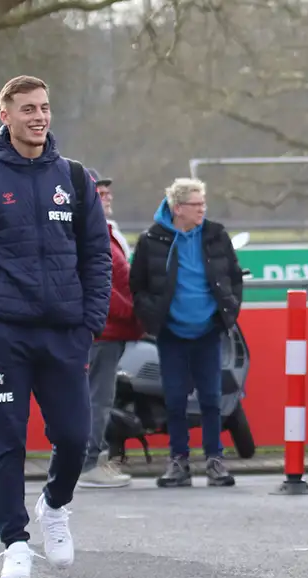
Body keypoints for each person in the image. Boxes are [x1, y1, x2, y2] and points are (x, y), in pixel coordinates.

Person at [0, 75, 112, 578]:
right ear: (5, 116)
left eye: (45, 107)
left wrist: (88, 324)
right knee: (8, 442)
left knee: (76, 438)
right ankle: (15, 543)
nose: (39, 116)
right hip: (5, 336)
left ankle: (54, 506)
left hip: (65, 335)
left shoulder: (75, 179)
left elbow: (97, 257)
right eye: (28, 108)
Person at [128, 177, 244, 488]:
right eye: (196, 204)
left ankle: (215, 461)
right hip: (171, 334)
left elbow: (233, 276)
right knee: (175, 400)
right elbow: (137, 284)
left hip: (208, 331)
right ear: (178, 208)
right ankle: (178, 462)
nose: (202, 209)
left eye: (203, 203)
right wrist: (151, 316)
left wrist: (229, 311)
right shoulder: (152, 239)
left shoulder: (216, 234)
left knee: (211, 398)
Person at [79, 176, 143, 488]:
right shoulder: (89, 233)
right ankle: (88, 463)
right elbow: (103, 288)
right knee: (97, 399)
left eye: (107, 191)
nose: (106, 197)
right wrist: (135, 311)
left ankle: (90, 460)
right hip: (102, 330)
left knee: (97, 398)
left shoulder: (104, 231)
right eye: (98, 192)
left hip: (109, 329)